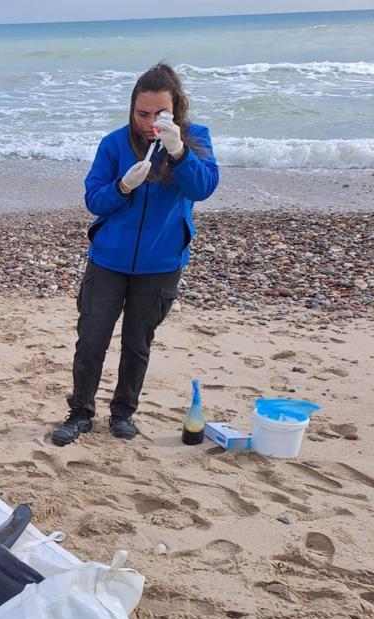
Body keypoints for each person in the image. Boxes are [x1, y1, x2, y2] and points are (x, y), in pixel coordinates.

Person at [52, 62, 219, 446]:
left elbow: (203, 188)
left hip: (160, 264)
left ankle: (123, 414)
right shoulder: (114, 144)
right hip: (109, 260)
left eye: (159, 114)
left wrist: (178, 153)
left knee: (137, 342)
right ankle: (79, 413)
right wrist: (123, 187)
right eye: (142, 113)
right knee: (91, 338)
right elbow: (94, 200)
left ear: (176, 109)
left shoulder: (195, 138)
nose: (149, 122)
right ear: (132, 109)